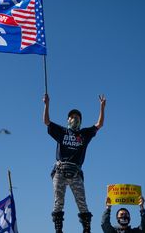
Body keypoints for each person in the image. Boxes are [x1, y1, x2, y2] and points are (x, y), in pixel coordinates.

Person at [43, 93, 106, 233]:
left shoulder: (84, 134)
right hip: (60, 170)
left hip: (76, 172)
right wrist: (47, 104)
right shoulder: (61, 131)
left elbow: (99, 124)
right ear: (68, 120)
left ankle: (86, 228)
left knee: (82, 203)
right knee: (58, 202)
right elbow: (46, 121)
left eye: (77, 117)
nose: (74, 119)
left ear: (80, 121)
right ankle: (58, 229)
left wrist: (102, 107)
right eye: (72, 117)